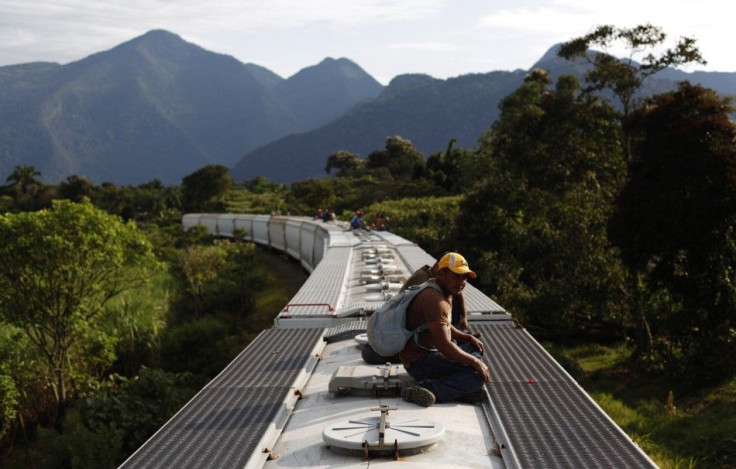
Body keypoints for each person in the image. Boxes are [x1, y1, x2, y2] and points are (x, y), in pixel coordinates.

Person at [399, 252, 490, 407]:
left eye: (464, 277)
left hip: (429, 353)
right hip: (420, 361)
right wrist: (475, 362)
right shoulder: (434, 300)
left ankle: (456, 389)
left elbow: (443, 325)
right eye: (457, 276)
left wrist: (467, 338)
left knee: (473, 347)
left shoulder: (439, 289)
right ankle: (426, 389)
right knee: (475, 375)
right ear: (442, 273)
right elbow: (444, 346)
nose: (462, 282)